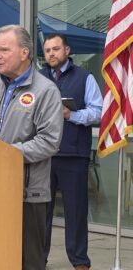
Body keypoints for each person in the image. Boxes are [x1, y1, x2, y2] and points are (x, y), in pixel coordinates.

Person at [0, 25, 63, 270]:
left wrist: (6, 154)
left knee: (28, 261)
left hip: (27, 194)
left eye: (4, 49)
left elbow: (49, 141)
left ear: (25, 53)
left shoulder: (46, 90)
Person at [40, 34, 103, 270]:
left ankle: (79, 262)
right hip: (43, 155)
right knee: (40, 212)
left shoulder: (84, 77)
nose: (51, 54)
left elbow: (98, 111)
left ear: (67, 50)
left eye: (56, 49)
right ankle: (38, 259)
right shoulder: (39, 78)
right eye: (47, 50)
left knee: (75, 212)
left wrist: (72, 115)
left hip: (73, 154)